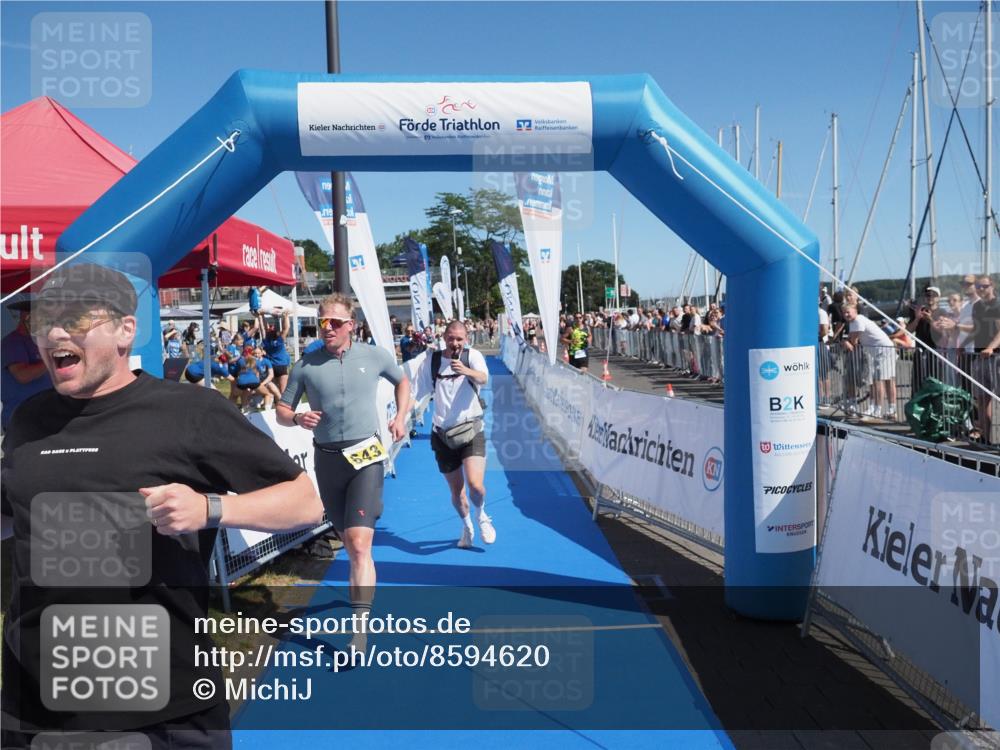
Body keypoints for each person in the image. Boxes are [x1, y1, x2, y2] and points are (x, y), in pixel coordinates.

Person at [0, 263, 322, 749]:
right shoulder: (29, 419)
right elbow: (15, 511)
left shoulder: (189, 411)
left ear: (126, 330)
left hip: (161, 704)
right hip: (34, 702)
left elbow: (304, 501)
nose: (55, 333)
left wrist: (210, 509)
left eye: (77, 319)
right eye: (44, 321)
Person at [276, 293, 409, 650]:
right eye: (322, 321)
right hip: (328, 460)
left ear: (351, 325)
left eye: (335, 322)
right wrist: (298, 417)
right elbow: (282, 411)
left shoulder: (374, 355)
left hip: (365, 457)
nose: (327, 328)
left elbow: (402, 381)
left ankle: (359, 630)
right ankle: (361, 583)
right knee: (349, 543)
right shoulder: (306, 364)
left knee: (360, 543)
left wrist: (400, 416)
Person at [413, 320, 495, 549]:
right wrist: (400, 417)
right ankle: (467, 527)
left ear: (466, 339)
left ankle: (481, 515)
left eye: (460, 339)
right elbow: (416, 393)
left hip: (471, 430)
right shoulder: (433, 361)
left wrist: (465, 370)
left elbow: (484, 378)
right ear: (444, 338)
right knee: (457, 492)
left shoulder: (472, 356)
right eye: (451, 338)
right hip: (442, 435)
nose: (455, 343)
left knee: (475, 485)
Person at [1, 299, 53, 432]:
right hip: (21, 420)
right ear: (25, 317)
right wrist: (52, 359)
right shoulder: (11, 342)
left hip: (46, 416)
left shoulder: (41, 341)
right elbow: (22, 376)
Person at [842, 304, 897, 419]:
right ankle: (890, 410)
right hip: (882, 350)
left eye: (848, 312)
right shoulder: (855, 321)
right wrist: (847, 340)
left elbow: (853, 341)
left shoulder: (857, 320)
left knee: (878, 380)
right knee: (887, 380)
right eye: (844, 313)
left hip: (882, 350)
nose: (846, 314)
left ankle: (877, 411)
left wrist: (845, 341)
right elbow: (853, 340)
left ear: (855, 311)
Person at [971, 276, 1000, 442]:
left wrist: (991, 347)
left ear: (992, 286)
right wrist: (963, 345)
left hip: (995, 357)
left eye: (984, 286)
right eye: (978, 286)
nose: (981, 289)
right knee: (982, 400)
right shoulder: (977, 306)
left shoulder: (998, 304)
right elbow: (976, 329)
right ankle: (985, 438)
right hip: (979, 356)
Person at [261, 309, 292, 394]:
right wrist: (286, 316)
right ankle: (282, 401)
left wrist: (262, 316)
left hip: (271, 366)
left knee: (274, 390)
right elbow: (286, 328)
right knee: (283, 390)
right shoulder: (279, 341)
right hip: (281, 365)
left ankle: (275, 400)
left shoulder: (266, 341)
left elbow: (264, 328)